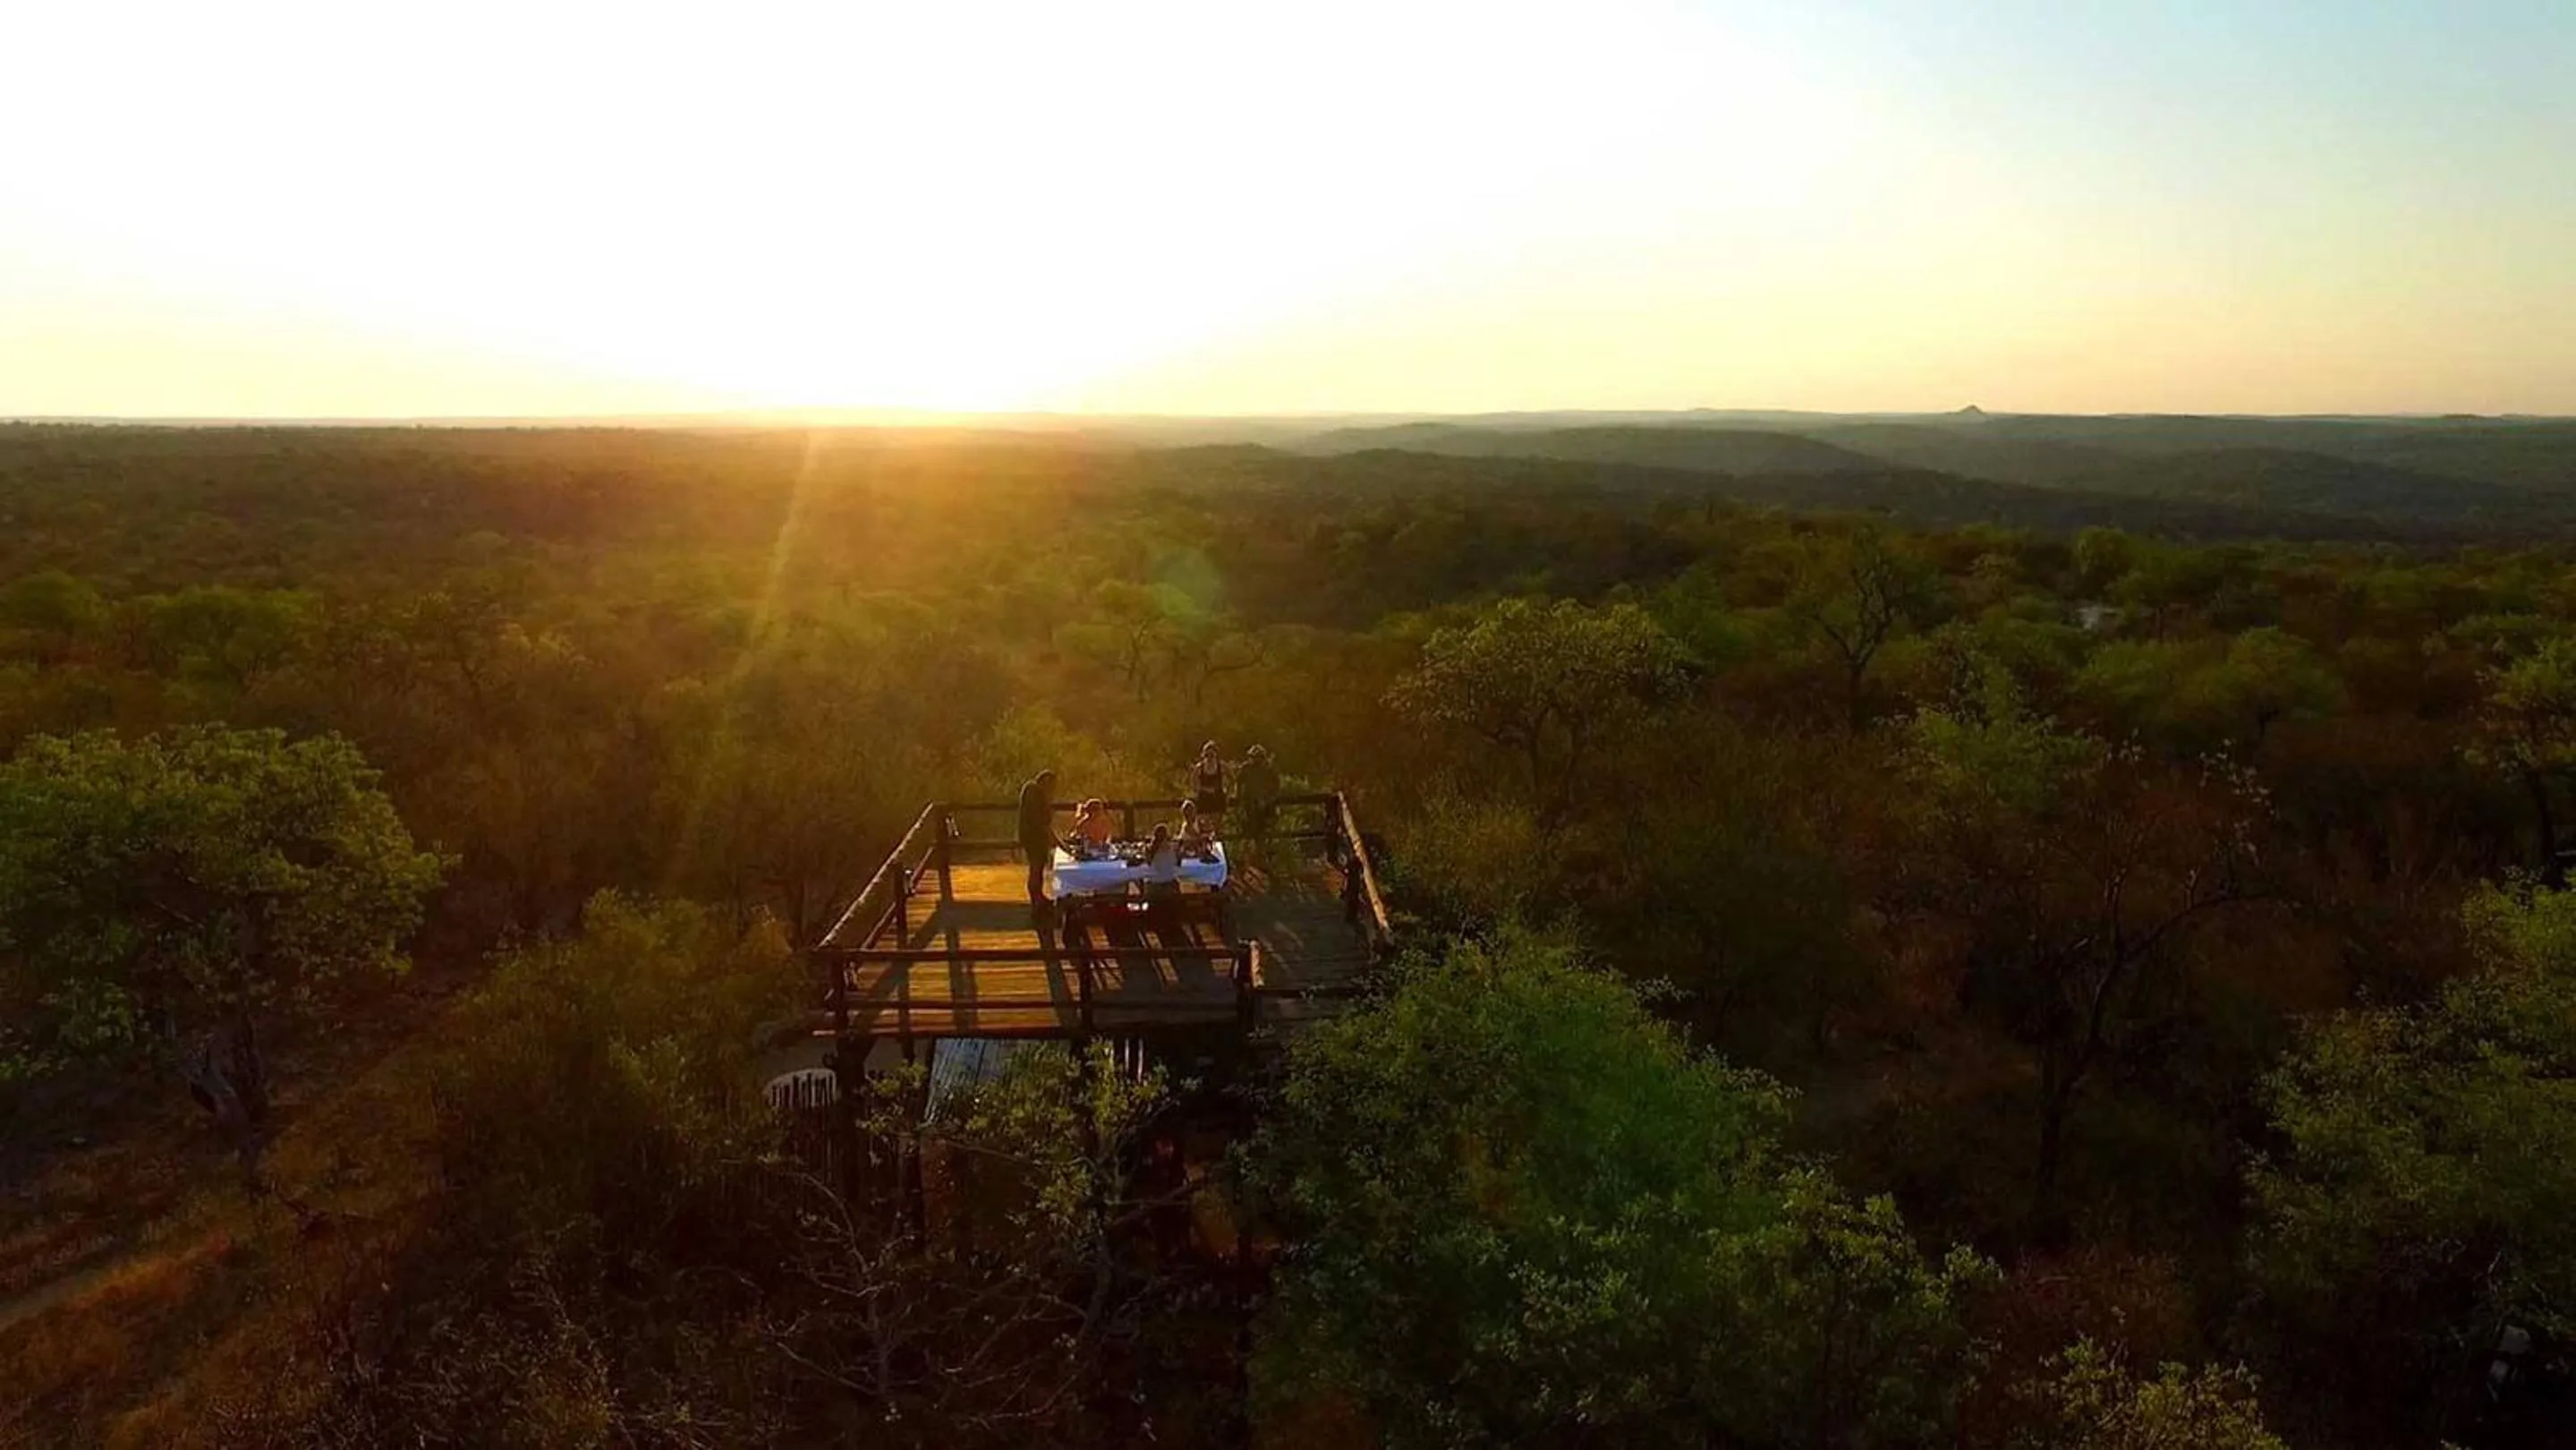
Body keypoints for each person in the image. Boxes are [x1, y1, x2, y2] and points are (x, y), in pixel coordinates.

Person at [1016, 768, 1058, 908]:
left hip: (1034, 835)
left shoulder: (1033, 791)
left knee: (1038, 867)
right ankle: (1036, 899)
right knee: (1035, 868)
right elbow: (1040, 819)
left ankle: (1038, 896)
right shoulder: (1035, 792)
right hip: (1033, 836)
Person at [1237, 744, 1280, 851]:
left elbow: (1276, 788)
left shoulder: (1269, 770)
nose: (1255, 760)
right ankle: (1247, 857)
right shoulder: (1246, 768)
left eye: (1258, 757)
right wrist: (1240, 801)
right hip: (1250, 806)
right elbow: (1238, 783)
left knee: (1263, 834)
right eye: (1253, 757)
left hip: (1264, 807)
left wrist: (1268, 800)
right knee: (1248, 834)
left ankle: (1261, 855)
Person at [1188, 741, 1229, 829]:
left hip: (1218, 797)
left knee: (1217, 826)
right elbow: (1193, 781)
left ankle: (1216, 841)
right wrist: (1200, 789)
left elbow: (1232, 778)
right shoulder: (1200, 767)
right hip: (1204, 798)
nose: (1209, 757)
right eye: (1207, 755)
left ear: (1216, 755)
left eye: (1212, 755)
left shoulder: (1221, 766)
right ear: (1204, 755)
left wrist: (1227, 792)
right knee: (1203, 825)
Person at [1142, 822, 1183, 894]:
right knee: (1177, 882)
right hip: (1169, 885)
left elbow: (1148, 863)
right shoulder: (1174, 848)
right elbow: (1178, 864)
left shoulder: (1149, 849)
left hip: (1153, 885)